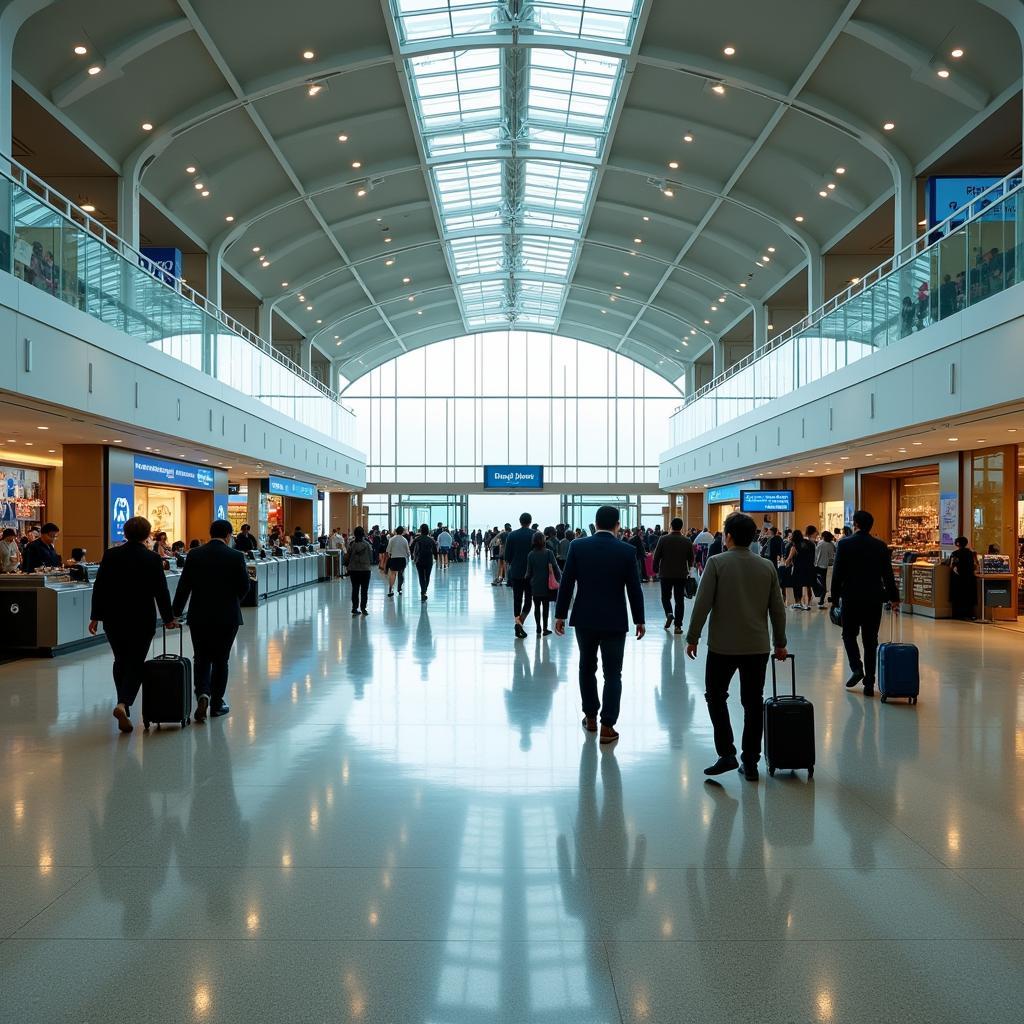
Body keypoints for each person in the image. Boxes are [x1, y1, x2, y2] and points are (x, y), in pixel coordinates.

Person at [685, 512, 788, 781]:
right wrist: (780, 643)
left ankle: (726, 752)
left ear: (728, 536)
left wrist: (692, 636)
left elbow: (702, 603)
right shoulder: (766, 566)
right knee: (753, 703)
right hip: (757, 647)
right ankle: (751, 761)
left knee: (716, 697)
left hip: (723, 647)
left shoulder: (717, 563)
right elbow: (778, 610)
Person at [554, 504, 645, 744]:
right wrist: (640, 619)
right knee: (613, 673)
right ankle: (607, 726)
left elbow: (566, 583)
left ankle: (591, 717)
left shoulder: (578, 546)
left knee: (587, 667)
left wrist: (560, 614)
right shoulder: (626, 551)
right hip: (615, 620)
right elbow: (634, 589)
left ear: (595, 523)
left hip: (585, 618)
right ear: (617, 525)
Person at [88, 516, 178, 733]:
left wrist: (95, 616)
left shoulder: (111, 555)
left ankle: (123, 703)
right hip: (141, 618)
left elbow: (100, 587)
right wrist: (168, 618)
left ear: (125, 534)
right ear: (148, 535)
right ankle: (124, 703)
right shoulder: (152, 559)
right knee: (137, 661)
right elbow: (161, 591)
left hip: (113, 617)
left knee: (120, 659)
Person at [171, 520, 250, 723]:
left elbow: (184, 587)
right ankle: (216, 704)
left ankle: (202, 694)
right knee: (221, 659)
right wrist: (233, 602)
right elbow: (244, 586)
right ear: (228, 535)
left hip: (199, 616)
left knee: (201, 657)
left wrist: (174, 613)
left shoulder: (195, 555)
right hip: (227, 617)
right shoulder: (236, 556)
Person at [830, 509, 900, 696]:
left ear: (856, 524)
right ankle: (870, 683)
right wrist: (894, 597)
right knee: (871, 641)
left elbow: (837, 574)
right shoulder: (880, 546)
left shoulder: (845, 544)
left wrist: (834, 598)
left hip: (851, 597)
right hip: (873, 599)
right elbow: (888, 575)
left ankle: (856, 667)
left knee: (848, 634)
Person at [652, 517, 694, 634]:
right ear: (681, 527)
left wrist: (655, 568)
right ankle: (678, 626)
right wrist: (689, 568)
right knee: (679, 600)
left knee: (665, 597)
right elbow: (691, 559)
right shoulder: (687, 540)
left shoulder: (663, 539)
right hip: (681, 574)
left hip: (665, 574)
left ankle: (669, 613)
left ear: (671, 526)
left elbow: (657, 556)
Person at [503, 513, 537, 639]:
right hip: (531, 573)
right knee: (528, 601)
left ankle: (518, 623)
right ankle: (519, 623)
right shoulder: (535, 534)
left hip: (516, 572)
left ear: (520, 521)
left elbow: (507, 557)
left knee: (517, 600)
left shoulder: (512, 535)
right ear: (530, 521)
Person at [527, 531, 560, 636]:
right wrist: (559, 579)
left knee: (536, 607)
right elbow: (555, 568)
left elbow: (528, 572)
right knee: (545, 607)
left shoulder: (531, 554)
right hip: (546, 585)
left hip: (535, 585)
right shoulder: (549, 553)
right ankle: (545, 629)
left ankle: (538, 627)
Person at [783, 528, 815, 609]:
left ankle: (798, 602)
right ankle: (809, 603)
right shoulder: (809, 543)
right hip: (808, 568)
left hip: (798, 569)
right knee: (808, 585)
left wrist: (785, 563)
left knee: (797, 585)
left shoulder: (794, 546)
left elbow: (789, 559)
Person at [949, 536, 978, 620]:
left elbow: (951, 565)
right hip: (969, 578)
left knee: (958, 597)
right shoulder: (971, 553)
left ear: (957, 543)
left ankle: (959, 614)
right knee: (969, 596)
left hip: (958, 579)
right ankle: (970, 614)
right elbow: (976, 565)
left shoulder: (955, 554)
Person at [345, 526, 373, 614]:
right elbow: (371, 558)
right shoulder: (367, 544)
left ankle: (354, 608)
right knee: (364, 590)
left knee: (355, 589)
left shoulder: (351, 544)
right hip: (365, 570)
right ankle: (363, 608)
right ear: (363, 534)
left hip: (353, 570)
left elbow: (347, 557)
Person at [411, 524, 437, 602]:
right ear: (428, 530)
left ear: (421, 530)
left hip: (419, 560)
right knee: (427, 576)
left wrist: (412, 557)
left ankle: (423, 591)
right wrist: (436, 557)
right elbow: (435, 550)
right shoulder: (431, 539)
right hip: (429, 560)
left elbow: (411, 547)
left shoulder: (417, 539)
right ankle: (424, 591)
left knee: (421, 576)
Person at [385, 525, 410, 597]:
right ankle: (399, 589)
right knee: (401, 573)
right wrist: (408, 556)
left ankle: (391, 589)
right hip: (402, 559)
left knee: (393, 574)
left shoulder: (391, 539)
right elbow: (408, 551)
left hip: (394, 558)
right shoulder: (404, 540)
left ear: (396, 531)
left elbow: (388, 551)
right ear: (402, 532)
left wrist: (389, 557)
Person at [813, 530, 836, 608]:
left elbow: (816, 555)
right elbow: (832, 556)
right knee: (825, 583)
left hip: (819, 565)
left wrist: (815, 564)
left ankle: (820, 598)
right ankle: (822, 600)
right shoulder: (832, 544)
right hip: (828, 566)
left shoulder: (820, 543)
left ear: (823, 536)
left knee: (821, 583)